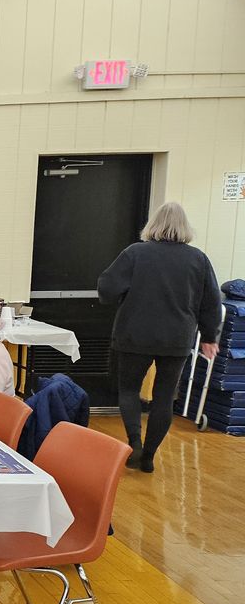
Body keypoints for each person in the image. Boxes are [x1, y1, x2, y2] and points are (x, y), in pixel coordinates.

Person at [98, 201, 221, 472]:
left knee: (129, 390)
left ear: (153, 224)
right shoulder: (198, 259)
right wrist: (209, 337)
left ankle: (135, 442)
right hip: (177, 338)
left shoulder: (135, 253)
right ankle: (150, 456)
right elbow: (211, 302)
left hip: (134, 334)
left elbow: (107, 288)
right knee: (164, 397)